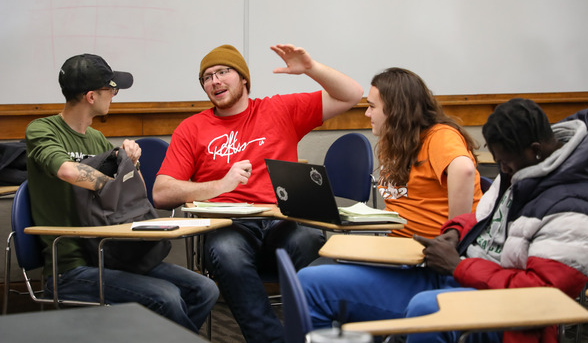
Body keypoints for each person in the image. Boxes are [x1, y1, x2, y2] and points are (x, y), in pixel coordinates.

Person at [298, 98, 588, 343]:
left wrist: (459, 266)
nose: (501, 169)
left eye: (504, 161)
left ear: (535, 152)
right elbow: (482, 218)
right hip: (460, 275)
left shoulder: (574, 206)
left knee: (425, 308)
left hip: (506, 310)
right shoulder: (522, 169)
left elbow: (546, 294)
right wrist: (455, 232)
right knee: (310, 283)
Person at [152, 43, 364, 342]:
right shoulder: (192, 128)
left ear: (244, 79)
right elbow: (161, 193)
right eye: (207, 77)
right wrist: (220, 185)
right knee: (225, 251)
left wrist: (310, 68)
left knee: (308, 237)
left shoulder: (280, 110)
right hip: (230, 228)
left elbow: (352, 94)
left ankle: (316, 334)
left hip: (283, 221)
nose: (215, 81)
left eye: (223, 72)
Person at [25, 54, 219, 333]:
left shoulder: (97, 138)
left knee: (205, 289)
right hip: (70, 268)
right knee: (167, 298)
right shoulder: (42, 129)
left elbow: (133, 191)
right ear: (91, 96)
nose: (114, 96)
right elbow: (67, 171)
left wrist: (131, 162)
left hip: (111, 255)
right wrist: (114, 182)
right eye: (111, 90)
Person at [366, 68, 482, 238]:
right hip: (394, 243)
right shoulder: (395, 139)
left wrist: (453, 237)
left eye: (371, 106)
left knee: (324, 264)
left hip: (425, 251)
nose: (367, 113)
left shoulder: (439, 136)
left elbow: (464, 170)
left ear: (395, 110)